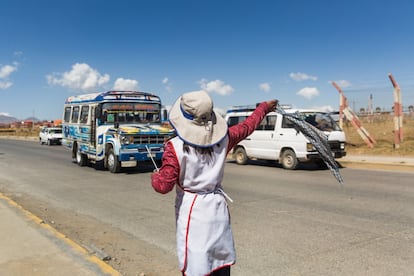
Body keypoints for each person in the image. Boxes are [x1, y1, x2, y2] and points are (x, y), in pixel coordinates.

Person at [151, 90, 278, 276]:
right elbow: (247, 126)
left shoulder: (174, 148)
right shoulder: (225, 139)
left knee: (197, 263)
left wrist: (156, 176)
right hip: (217, 210)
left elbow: (163, 186)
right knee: (220, 261)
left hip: (193, 213)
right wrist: (263, 109)